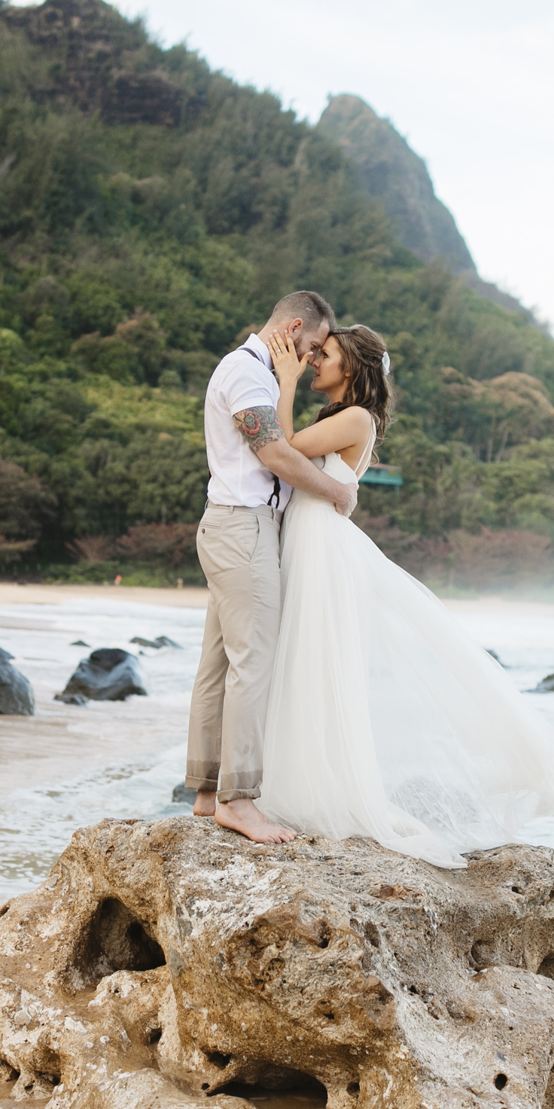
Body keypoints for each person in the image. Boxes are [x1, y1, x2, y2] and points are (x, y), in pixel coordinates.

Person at [253, 322, 554, 867]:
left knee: (315, 661)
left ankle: (316, 789)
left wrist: (284, 380)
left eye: (325, 355)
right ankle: (296, 781)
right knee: (303, 662)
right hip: (311, 540)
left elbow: (282, 449)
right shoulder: (340, 418)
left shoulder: (355, 417)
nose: (315, 361)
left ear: (351, 368)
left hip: (323, 548)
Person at [186, 290, 356, 844]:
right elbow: (276, 453)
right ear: (295, 326)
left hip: (234, 527)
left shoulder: (253, 371)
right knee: (251, 665)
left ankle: (209, 794)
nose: (309, 359)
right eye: (311, 346)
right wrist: (337, 492)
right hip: (243, 529)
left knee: (219, 666)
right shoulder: (246, 371)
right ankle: (239, 801)